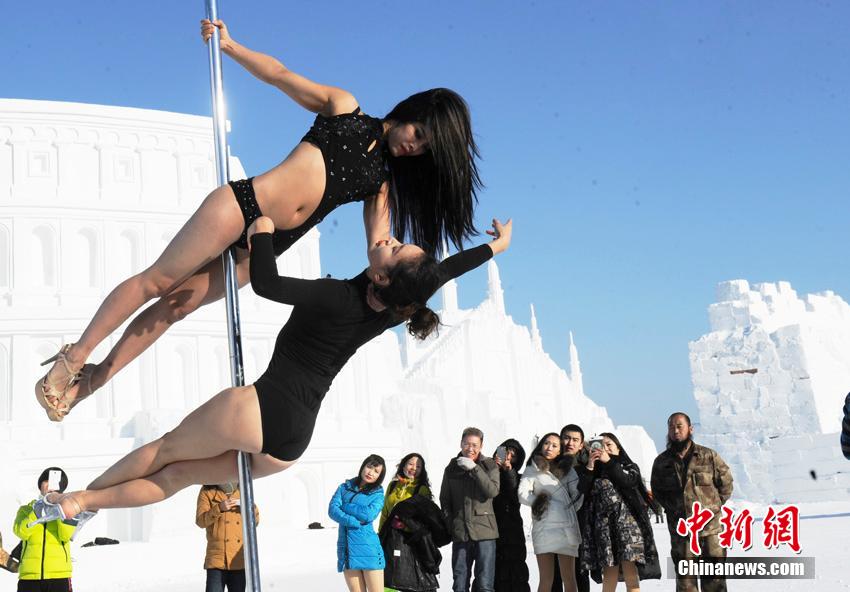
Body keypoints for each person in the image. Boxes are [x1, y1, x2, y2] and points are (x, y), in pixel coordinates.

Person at [34, 16, 483, 422]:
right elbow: (281, 76)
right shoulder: (346, 109)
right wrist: (231, 46)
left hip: (266, 246)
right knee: (157, 283)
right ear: (411, 112)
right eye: (418, 134)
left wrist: (411, 277)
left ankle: (87, 386)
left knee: (174, 309)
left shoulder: (382, 183)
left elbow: (378, 246)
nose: (413, 146)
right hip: (243, 207)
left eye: (424, 148)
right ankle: (74, 357)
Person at [28, 217, 512, 539]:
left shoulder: (336, 297)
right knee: (175, 477)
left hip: (261, 407)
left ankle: (80, 499)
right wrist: (494, 247)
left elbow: (268, 284)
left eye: (393, 247)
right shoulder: (396, 307)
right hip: (290, 442)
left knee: (163, 451)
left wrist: (261, 232)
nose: (387, 239)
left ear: (384, 276)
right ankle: (83, 503)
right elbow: (442, 272)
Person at [650, 413, 733, 592]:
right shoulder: (662, 462)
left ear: (690, 429)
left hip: (711, 531)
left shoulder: (708, 456)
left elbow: (726, 484)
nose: (675, 430)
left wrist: (713, 508)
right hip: (682, 533)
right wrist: (675, 511)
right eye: (671, 427)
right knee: (685, 584)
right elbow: (658, 492)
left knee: (715, 582)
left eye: (679, 426)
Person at [581, 433, 660, 592]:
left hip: (628, 529)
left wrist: (609, 462)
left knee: (631, 573)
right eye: (601, 445)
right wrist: (590, 465)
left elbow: (628, 481)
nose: (605, 449)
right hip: (604, 530)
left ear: (618, 447)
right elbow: (583, 490)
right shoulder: (594, 471)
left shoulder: (629, 467)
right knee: (609, 573)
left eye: (609, 444)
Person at [518, 433, 582, 592]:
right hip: (544, 526)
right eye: (546, 443)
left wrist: (565, 510)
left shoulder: (569, 470)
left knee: (569, 578)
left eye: (554, 445)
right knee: (546, 579)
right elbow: (522, 494)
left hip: (566, 528)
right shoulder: (532, 469)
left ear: (560, 450)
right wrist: (541, 503)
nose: (549, 448)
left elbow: (578, 495)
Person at [440, 427, 500, 592]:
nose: (470, 448)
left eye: (474, 445)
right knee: (460, 583)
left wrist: (474, 468)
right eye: (466, 444)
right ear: (461, 444)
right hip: (461, 532)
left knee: (485, 585)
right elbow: (445, 500)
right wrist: (451, 523)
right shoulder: (452, 467)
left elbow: (492, 491)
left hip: (485, 533)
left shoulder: (489, 466)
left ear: (481, 446)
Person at [379, 453, 446, 592]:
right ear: (403, 465)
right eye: (410, 463)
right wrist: (381, 536)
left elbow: (426, 520)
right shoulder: (392, 486)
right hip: (391, 539)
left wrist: (406, 525)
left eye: (418, 466)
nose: (414, 468)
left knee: (411, 580)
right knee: (389, 580)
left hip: (411, 542)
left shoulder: (421, 489)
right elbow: (385, 514)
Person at [329, 455, 387, 592]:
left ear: (380, 476)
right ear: (363, 466)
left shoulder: (377, 494)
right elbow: (332, 510)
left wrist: (345, 506)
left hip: (369, 550)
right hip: (347, 550)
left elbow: (368, 515)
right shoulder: (344, 488)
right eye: (369, 467)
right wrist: (351, 521)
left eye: (376, 471)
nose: (370, 473)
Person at [12, 468, 75, 592]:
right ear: (40, 485)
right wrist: (38, 511)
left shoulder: (68, 507)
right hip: (29, 576)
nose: (50, 486)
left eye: (55, 482)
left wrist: (59, 507)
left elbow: (66, 535)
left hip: (59, 576)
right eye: (46, 481)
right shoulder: (26, 509)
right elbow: (21, 532)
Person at [195, 482, 260, 592]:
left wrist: (251, 508)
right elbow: (200, 521)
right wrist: (219, 508)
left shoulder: (243, 489)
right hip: (217, 559)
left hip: (238, 559)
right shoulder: (207, 491)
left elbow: (255, 521)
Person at [549, 424, 591, 592]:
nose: (570, 443)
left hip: (581, 527)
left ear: (581, 444)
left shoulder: (589, 465)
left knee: (580, 573)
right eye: (566, 438)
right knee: (555, 575)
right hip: (554, 527)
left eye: (575, 440)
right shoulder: (550, 464)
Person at [492, 439, 530, 592]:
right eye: (505, 453)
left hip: (513, 530)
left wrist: (508, 471)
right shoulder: (488, 470)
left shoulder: (518, 477)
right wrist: (492, 468)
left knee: (515, 572)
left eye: (513, 456)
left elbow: (515, 495)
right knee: (491, 571)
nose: (508, 457)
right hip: (490, 528)